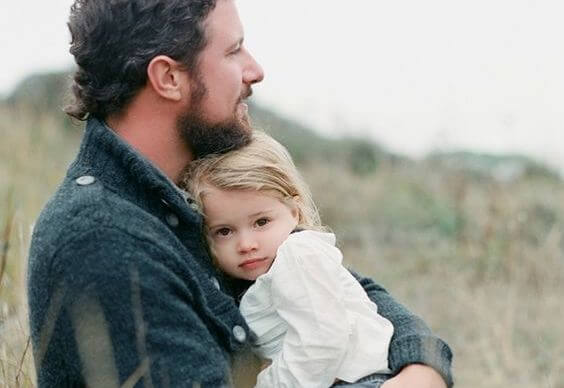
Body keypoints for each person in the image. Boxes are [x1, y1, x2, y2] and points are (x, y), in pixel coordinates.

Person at [27, 0, 453, 387]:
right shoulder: (104, 240)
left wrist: (422, 368)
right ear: (169, 77)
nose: (255, 70)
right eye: (233, 51)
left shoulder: (182, 192)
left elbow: (349, 292)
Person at [185, 131, 397, 387]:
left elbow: (322, 340)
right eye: (224, 231)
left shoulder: (298, 255)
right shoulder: (249, 279)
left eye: (261, 222)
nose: (246, 245)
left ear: (294, 213)